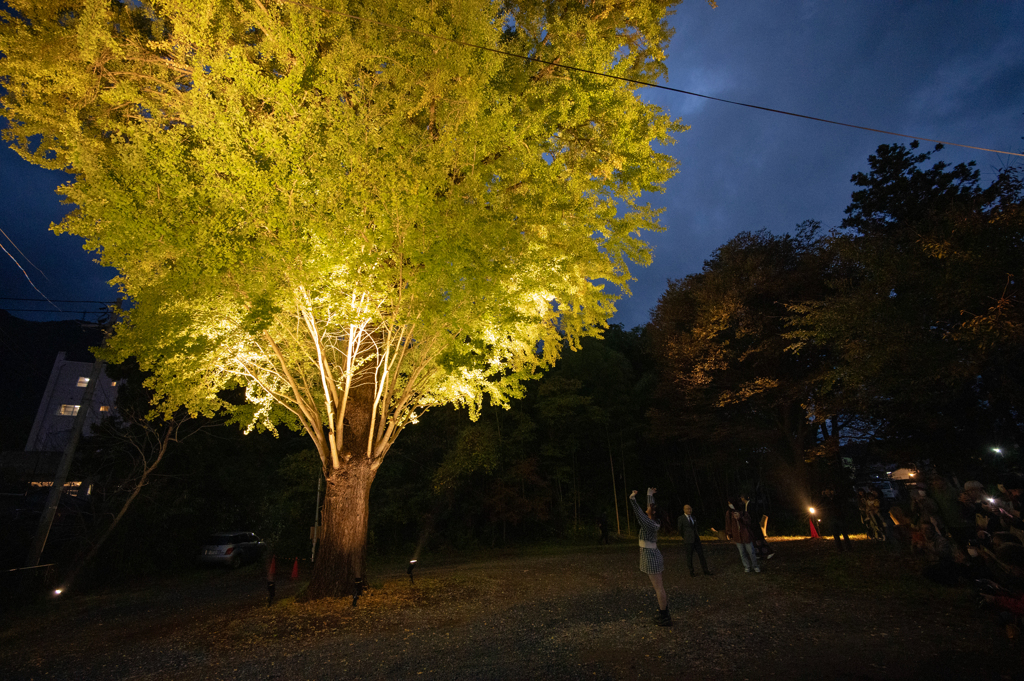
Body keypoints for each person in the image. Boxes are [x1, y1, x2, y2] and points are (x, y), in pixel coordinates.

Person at [629, 487, 671, 626]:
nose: (648, 508)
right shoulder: (653, 521)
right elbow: (649, 508)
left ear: (652, 513)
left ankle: (664, 616)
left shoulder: (649, 523)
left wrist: (632, 499)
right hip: (651, 554)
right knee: (659, 587)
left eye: (650, 508)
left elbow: (639, 513)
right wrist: (649, 494)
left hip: (651, 556)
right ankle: (664, 613)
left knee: (659, 588)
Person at [677, 504, 713, 577]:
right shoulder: (681, 518)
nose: (689, 510)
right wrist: (685, 537)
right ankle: (691, 571)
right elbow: (680, 529)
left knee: (701, 555)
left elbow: (695, 527)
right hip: (688, 540)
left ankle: (705, 570)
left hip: (696, 539)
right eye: (687, 509)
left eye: (690, 509)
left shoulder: (693, 517)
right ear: (684, 510)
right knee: (689, 556)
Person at [725, 500, 760, 573]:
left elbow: (749, 522)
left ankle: (755, 566)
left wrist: (740, 518)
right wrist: (729, 534)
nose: (730, 505)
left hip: (746, 535)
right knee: (742, 553)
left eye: (730, 503)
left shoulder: (744, 513)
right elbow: (728, 524)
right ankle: (747, 566)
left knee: (751, 552)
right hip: (737, 537)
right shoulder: (729, 514)